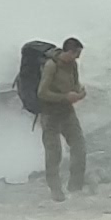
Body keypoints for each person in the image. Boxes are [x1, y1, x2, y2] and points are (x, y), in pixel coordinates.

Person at [37, 36, 89, 197]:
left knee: (79, 146)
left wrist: (79, 92)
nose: (78, 58)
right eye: (76, 54)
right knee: (54, 153)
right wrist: (65, 97)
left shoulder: (72, 65)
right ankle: (55, 189)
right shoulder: (51, 66)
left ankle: (76, 186)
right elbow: (42, 93)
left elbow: (75, 83)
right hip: (50, 114)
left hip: (67, 112)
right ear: (69, 51)